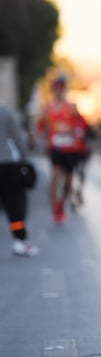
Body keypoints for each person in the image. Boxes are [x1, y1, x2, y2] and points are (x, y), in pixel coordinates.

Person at [36, 75, 88, 224]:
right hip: (55, 147)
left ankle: (61, 204)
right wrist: (40, 136)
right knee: (54, 175)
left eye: (61, 89)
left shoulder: (71, 107)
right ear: (53, 91)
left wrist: (77, 133)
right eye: (56, 89)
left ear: (64, 90)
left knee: (68, 182)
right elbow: (41, 127)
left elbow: (82, 124)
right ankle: (55, 209)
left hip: (71, 148)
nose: (58, 92)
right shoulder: (47, 109)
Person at [0, 104, 38, 256]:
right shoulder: (5, 112)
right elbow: (17, 137)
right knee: (14, 204)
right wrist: (24, 158)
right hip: (7, 164)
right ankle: (20, 241)